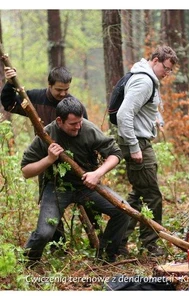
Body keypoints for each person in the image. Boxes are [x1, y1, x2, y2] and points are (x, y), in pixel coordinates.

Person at [21, 96, 129, 264]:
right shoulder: (47, 134)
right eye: (73, 124)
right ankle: (27, 262)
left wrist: (97, 173)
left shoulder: (88, 129)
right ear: (59, 120)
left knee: (123, 210)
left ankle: (105, 258)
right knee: (44, 233)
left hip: (87, 186)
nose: (78, 126)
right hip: (58, 187)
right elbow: (26, 171)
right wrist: (49, 159)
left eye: (80, 122)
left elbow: (115, 154)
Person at [0, 66, 97, 249]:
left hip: (72, 161)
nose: (62, 94)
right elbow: (9, 103)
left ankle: (97, 240)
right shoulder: (34, 98)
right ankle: (56, 246)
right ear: (49, 84)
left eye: (66, 90)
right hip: (45, 158)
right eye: (58, 89)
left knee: (89, 204)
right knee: (51, 205)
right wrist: (10, 83)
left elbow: (85, 134)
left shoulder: (74, 105)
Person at [116, 45, 179, 257]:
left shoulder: (148, 79)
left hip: (141, 141)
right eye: (166, 68)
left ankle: (117, 241)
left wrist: (157, 119)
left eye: (170, 71)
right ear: (155, 60)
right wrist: (134, 147)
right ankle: (150, 244)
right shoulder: (144, 80)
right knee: (152, 196)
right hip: (138, 142)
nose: (167, 73)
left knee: (138, 194)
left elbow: (147, 107)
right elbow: (124, 114)